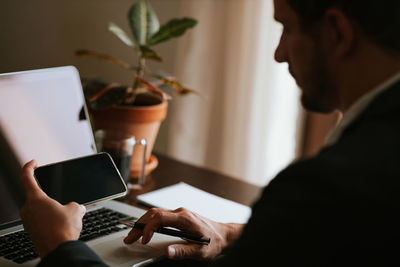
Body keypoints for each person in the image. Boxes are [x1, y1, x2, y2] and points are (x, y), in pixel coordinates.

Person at [20, 0, 400, 266]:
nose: (279, 53)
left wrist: (60, 246)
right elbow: (330, 234)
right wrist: (228, 233)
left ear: (336, 31)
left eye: (285, 27)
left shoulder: (326, 187)